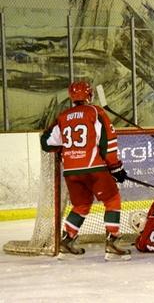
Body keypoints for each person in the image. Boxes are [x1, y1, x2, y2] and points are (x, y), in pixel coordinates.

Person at [40, 81, 131, 261]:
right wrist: (116, 167)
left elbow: (46, 142)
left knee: (81, 205)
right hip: (94, 168)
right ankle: (113, 242)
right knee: (112, 199)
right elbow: (108, 142)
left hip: (71, 171)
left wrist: (65, 150)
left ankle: (67, 241)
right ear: (89, 95)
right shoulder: (95, 112)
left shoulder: (63, 116)